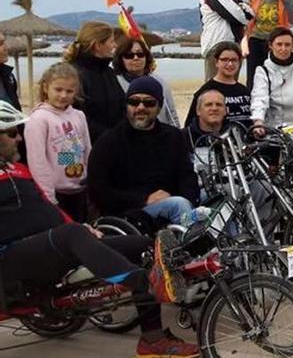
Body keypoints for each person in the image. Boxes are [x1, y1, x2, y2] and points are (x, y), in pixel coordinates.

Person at [0, 101, 200, 358]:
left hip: (47, 247)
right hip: (10, 260)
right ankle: (144, 282)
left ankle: (152, 338)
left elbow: (47, 206)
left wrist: (80, 227)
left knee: (142, 245)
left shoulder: (18, 169)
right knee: (71, 235)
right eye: (11, 132)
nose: (18, 138)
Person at [89, 76, 198, 225]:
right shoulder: (109, 141)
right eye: (134, 102)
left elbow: (187, 177)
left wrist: (187, 200)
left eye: (149, 103)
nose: (140, 107)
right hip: (129, 212)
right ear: (126, 105)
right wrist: (144, 199)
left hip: (172, 204)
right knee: (178, 205)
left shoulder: (174, 137)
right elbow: (98, 190)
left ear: (159, 107)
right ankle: (195, 244)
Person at [24, 63, 91, 221]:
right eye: (58, 89)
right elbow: (37, 161)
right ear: (46, 87)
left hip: (80, 189)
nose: (63, 95)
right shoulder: (39, 119)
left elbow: (87, 149)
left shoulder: (79, 115)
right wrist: (48, 196)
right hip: (56, 194)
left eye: (69, 91)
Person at [64, 21, 125, 143]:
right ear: (97, 45)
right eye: (111, 41)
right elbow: (73, 115)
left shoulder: (109, 72)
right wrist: (109, 136)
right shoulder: (72, 74)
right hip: (80, 146)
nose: (115, 45)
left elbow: (122, 106)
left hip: (114, 145)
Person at [241, 0, 293, 91]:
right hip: (255, 40)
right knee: (253, 76)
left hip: (276, 42)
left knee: (275, 76)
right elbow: (246, 17)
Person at [199, 0, 253, 80]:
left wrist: (245, 11)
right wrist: (244, 11)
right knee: (214, 91)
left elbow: (248, 12)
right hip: (218, 45)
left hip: (229, 45)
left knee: (230, 89)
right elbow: (238, 15)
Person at [113, 37, 179, 128]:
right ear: (121, 59)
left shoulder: (159, 82)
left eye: (140, 54)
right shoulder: (114, 83)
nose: (135, 58)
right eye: (129, 55)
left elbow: (172, 114)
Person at [184, 41, 252, 128]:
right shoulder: (206, 91)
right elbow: (190, 126)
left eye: (234, 60)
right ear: (216, 62)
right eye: (225, 60)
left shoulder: (245, 91)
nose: (230, 64)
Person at [0, 32, 21, 110]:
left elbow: (16, 110)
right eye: (0, 44)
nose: (6, 47)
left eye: (4, 42)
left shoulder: (9, 77)